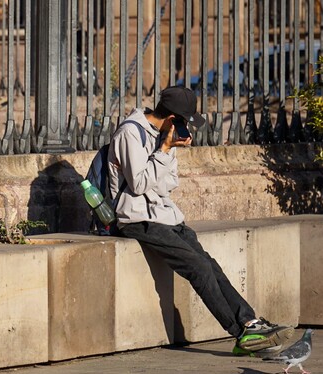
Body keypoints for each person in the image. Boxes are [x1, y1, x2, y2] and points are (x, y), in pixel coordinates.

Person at [107, 85, 294, 355]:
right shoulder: (130, 133)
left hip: (165, 215)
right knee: (198, 268)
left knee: (210, 265)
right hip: (137, 218)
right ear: (172, 119)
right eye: (183, 122)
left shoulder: (161, 137)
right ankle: (241, 334)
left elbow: (167, 184)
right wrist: (165, 149)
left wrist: (168, 151)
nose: (186, 128)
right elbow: (138, 185)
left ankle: (251, 321)